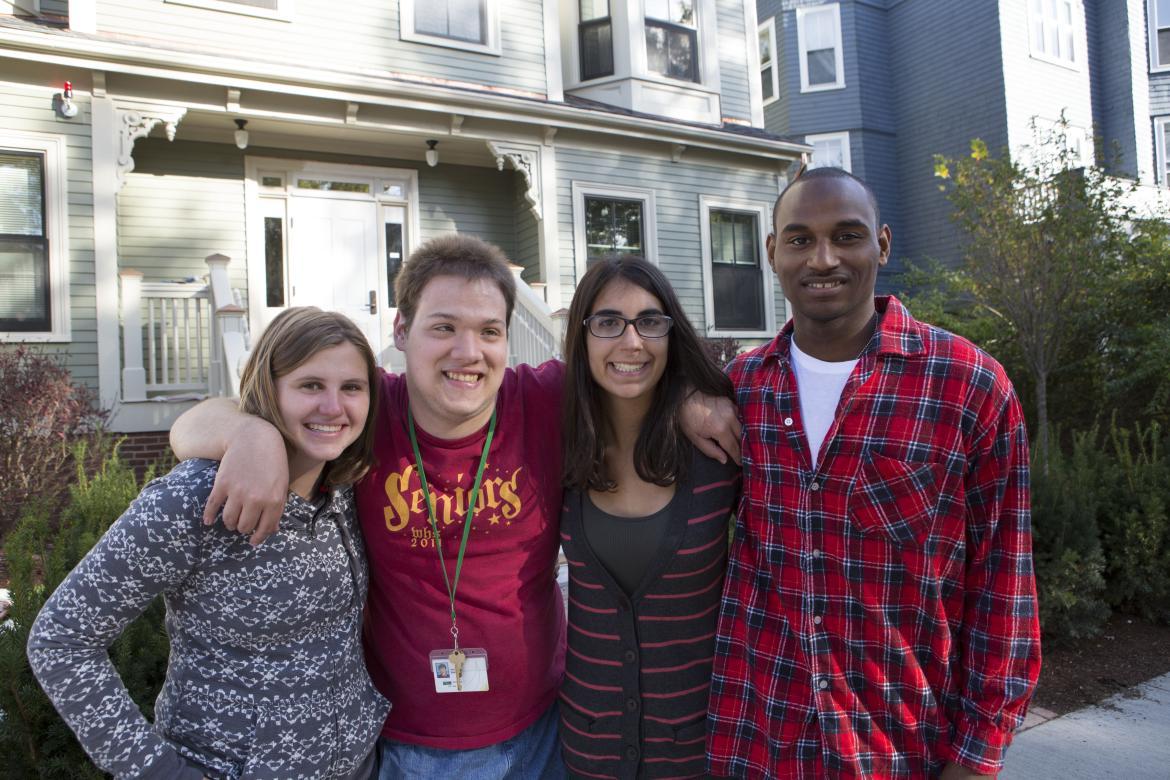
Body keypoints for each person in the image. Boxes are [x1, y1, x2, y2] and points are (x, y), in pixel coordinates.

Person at [168, 234, 741, 779]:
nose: (468, 353)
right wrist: (251, 435)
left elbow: (629, 367)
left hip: (549, 733)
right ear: (400, 329)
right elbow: (192, 424)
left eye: (489, 331)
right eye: (444, 327)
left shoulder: (544, 400)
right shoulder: (364, 414)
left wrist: (692, 396)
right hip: (413, 744)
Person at [706, 167, 1042, 779]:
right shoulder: (742, 390)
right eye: (800, 238)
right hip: (756, 743)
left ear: (882, 244)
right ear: (772, 251)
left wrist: (977, 758)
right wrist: (684, 397)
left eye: (848, 235)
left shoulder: (967, 387)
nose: (823, 258)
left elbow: (1005, 585)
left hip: (898, 749)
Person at [28, 307, 389, 779]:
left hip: (358, 763)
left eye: (352, 388)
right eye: (310, 385)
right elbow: (61, 639)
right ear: (269, 388)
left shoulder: (343, 485)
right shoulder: (196, 496)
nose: (333, 407)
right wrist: (156, 771)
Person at [557, 256, 740, 780]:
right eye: (609, 322)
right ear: (583, 336)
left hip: (702, 752)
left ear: (671, 333)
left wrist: (688, 391)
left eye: (650, 322)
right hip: (588, 754)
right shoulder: (560, 449)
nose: (631, 341)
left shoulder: (717, 450)